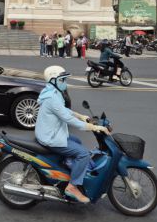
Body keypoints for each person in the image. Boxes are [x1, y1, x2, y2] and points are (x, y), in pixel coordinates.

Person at [35, 65, 110, 203]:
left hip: (51, 133)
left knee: (77, 141)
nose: (65, 83)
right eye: (62, 79)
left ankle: (68, 166)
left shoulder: (52, 92)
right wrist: (92, 127)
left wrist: (81, 116)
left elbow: (64, 110)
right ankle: (72, 186)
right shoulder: (52, 97)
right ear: (53, 80)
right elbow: (67, 118)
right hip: (51, 138)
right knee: (83, 154)